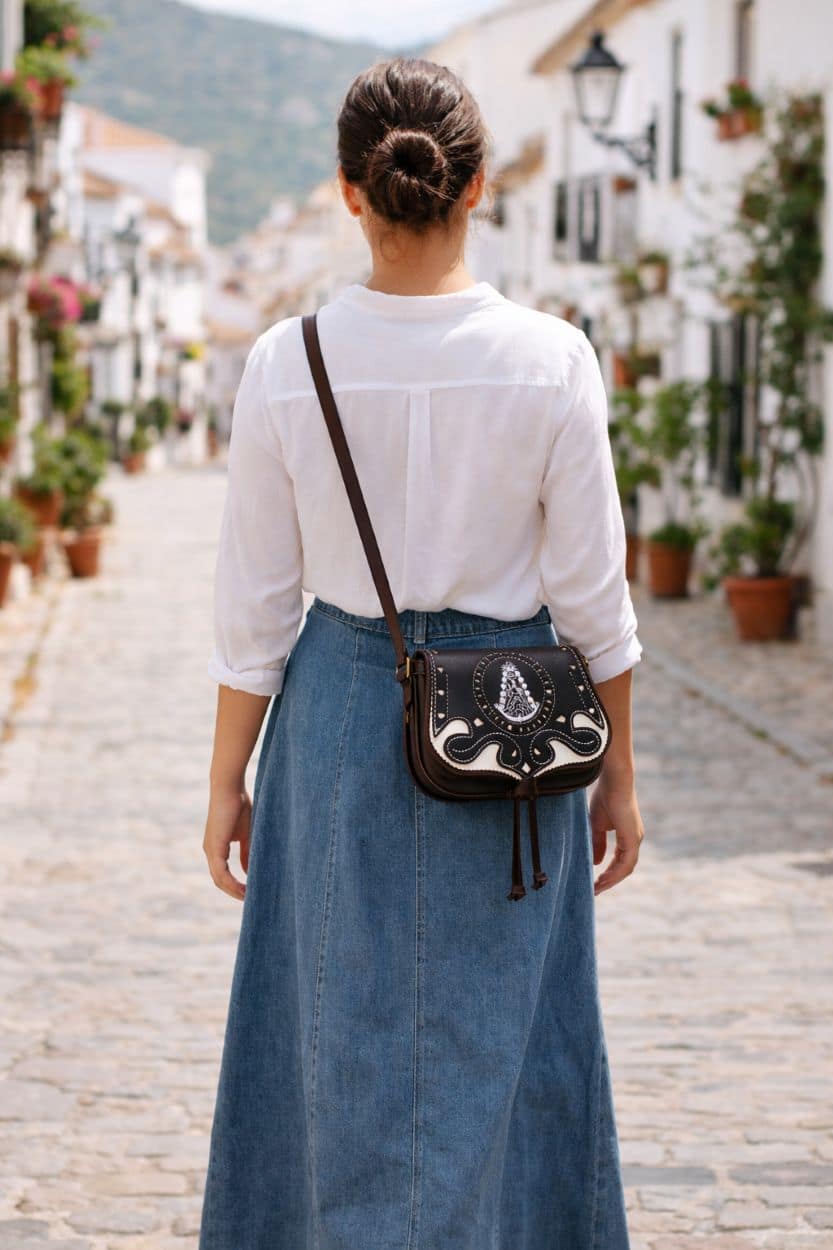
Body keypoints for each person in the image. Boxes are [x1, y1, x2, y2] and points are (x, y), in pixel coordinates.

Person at [199, 55, 644, 1250]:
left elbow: (255, 604)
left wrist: (225, 782)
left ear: (351, 191)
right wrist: (622, 776)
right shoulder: (552, 358)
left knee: (329, 1027)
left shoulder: (287, 363)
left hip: (341, 711)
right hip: (517, 719)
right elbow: (594, 600)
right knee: (509, 1030)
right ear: (478, 186)